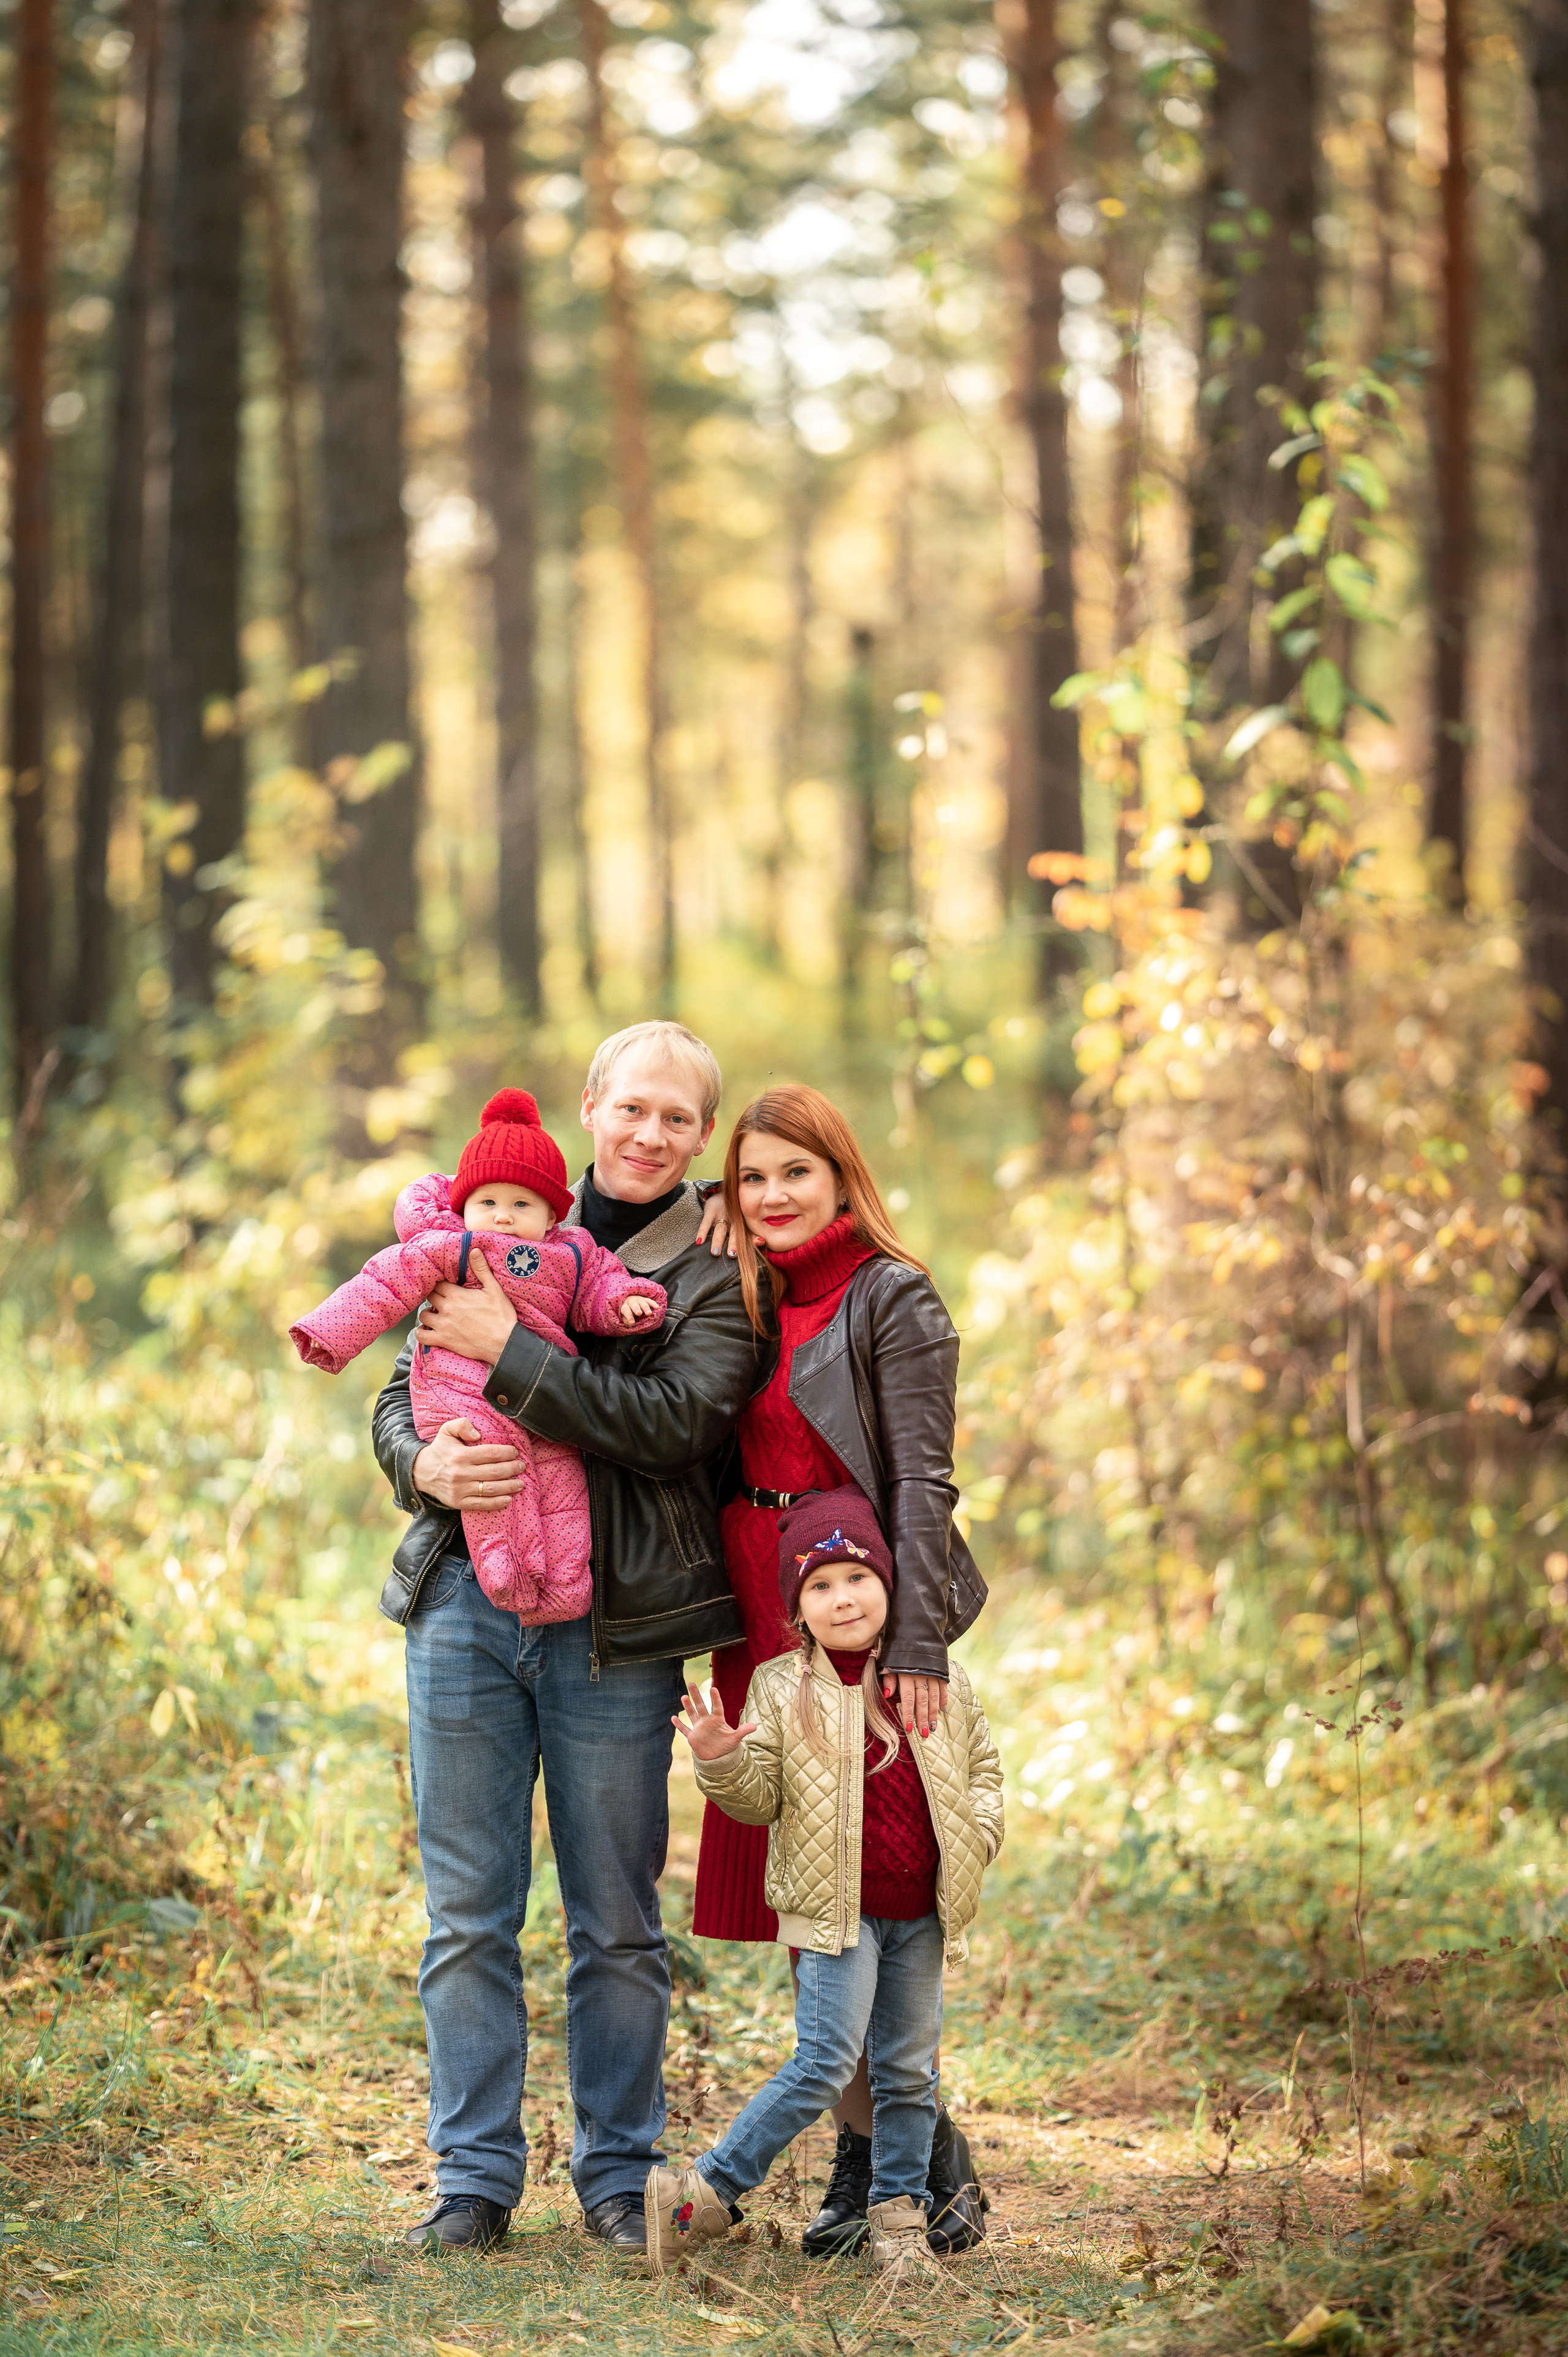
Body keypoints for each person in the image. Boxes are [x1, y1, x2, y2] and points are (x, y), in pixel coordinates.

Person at [369, 1023, 765, 2261]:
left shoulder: (710, 1266)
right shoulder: (490, 1210)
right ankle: (473, 2183)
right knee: (467, 1917)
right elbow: (403, 1388)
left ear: (704, 1135)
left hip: (617, 1625)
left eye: (677, 1118)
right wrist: (419, 1462)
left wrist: (515, 1349)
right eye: (630, 1107)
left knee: (615, 1920)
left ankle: (613, 2177)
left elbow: (671, 1423)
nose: (648, 1133)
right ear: (591, 1107)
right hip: (463, 1610)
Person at [692, 1083, 990, 2255]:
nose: (771, 1196)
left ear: (841, 1173)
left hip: (853, 1630)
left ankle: (905, 2175)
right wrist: (708, 1216)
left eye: (793, 1174)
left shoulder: (892, 1295)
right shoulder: (750, 1287)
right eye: (750, 1177)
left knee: (867, 1887)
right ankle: (885, 2171)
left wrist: (913, 1645)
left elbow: (922, 1483)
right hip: (757, 1620)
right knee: (814, 1906)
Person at [646, 1485, 1003, 2283]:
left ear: (889, 1584)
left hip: (923, 1916)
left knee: (910, 2073)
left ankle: (901, 2224)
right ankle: (700, 2193)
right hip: (838, 1918)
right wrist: (719, 1756)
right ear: (797, 1607)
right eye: (820, 1585)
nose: (844, 1597)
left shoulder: (933, 1673)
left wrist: (976, 1839)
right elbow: (758, 1795)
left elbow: (982, 1772)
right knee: (823, 2061)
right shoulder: (780, 1686)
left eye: (858, 1577)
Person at [292, 1088, 666, 1620]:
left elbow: (599, 1289)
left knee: (562, 1486)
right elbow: (384, 1283)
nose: (503, 1218)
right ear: (465, 1206)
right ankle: (507, 1576)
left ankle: (562, 1591)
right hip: (462, 1396)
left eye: (522, 1205)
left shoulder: (571, 1252)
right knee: (494, 1478)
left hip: (542, 1405)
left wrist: (627, 1303)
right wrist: (330, 1333)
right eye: (487, 1203)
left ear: (552, 1213)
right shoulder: (454, 1247)